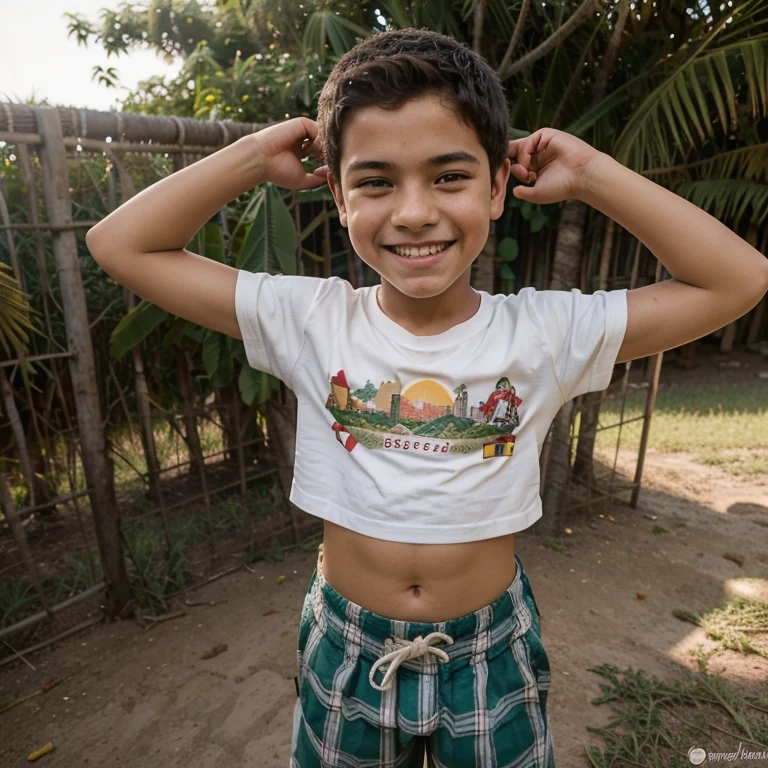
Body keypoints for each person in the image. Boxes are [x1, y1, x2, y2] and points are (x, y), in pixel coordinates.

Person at [86, 28, 768, 768]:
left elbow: (737, 279)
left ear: (499, 186)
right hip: (346, 644)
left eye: (449, 176)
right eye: (376, 182)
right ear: (339, 197)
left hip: (488, 648)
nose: (413, 212)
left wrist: (594, 173)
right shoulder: (309, 320)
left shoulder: (544, 332)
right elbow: (121, 243)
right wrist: (253, 157)